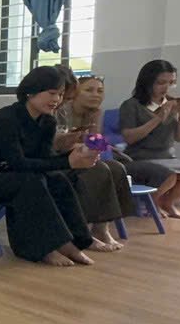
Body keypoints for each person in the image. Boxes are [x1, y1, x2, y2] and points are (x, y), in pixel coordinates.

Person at [0, 66, 105, 265]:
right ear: (31, 92)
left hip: (11, 175)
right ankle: (52, 246)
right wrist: (67, 161)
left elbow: (45, 160)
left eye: (60, 94)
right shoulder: (6, 119)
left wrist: (74, 157)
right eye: (51, 93)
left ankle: (78, 239)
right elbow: (18, 162)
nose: (57, 99)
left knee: (57, 179)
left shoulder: (47, 122)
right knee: (29, 182)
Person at [118, 59, 180, 219]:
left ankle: (166, 202)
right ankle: (152, 204)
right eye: (161, 83)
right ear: (148, 82)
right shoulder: (131, 105)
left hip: (167, 157)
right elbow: (130, 138)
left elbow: (179, 137)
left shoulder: (172, 104)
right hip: (139, 158)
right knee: (168, 175)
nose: (166, 88)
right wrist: (158, 118)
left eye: (171, 83)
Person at [54, 74, 133, 249]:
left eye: (100, 91)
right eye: (89, 90)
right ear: (75, 92)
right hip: (61, 158)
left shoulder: (95, 112)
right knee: (98, 169)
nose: (96, 95)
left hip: (80, 155)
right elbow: (60, 145)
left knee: (117, 167)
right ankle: (82, 232)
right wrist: (87, 145)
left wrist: (95, 121)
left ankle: (101, 229)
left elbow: (97, 144)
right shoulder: (62, 110)